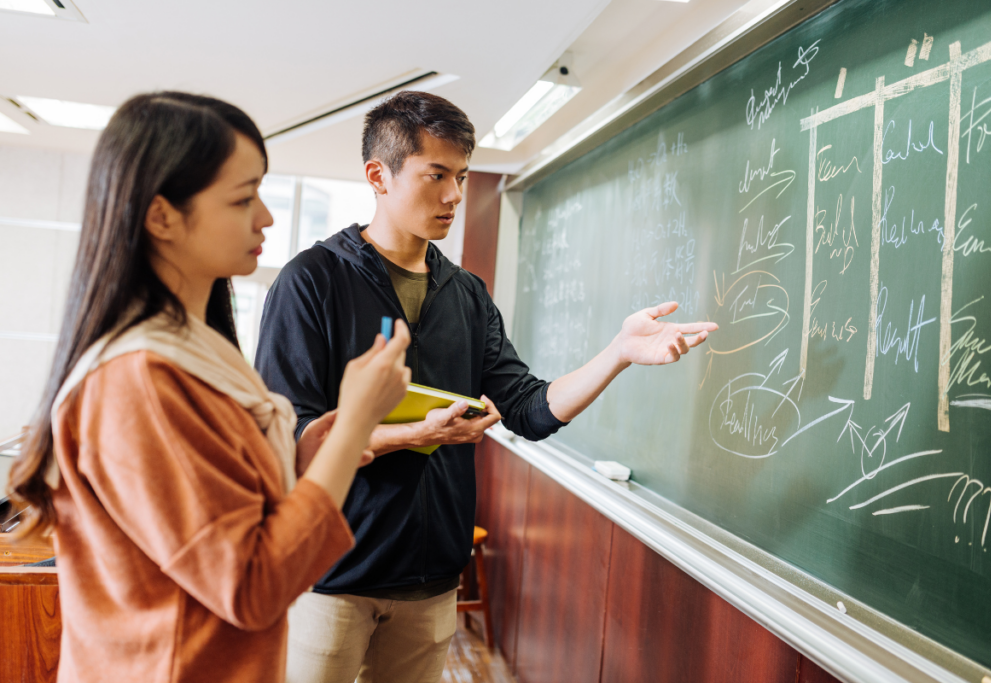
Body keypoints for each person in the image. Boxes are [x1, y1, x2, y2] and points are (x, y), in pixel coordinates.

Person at [255, 90, 718, 683]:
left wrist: (618, 353)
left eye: (463, 176)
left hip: (431, 586)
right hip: (329, 581)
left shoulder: (467, 294)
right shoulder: (311, 281)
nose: (454, 196)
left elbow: (530, 409)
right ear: (379, 175)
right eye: (436, 175)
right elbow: (290, 439)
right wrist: (415, 433)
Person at [5, 92, 411, 683]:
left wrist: (299, 459)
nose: (266, 218)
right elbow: (251, 586)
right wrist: (353, 426)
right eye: (243, 197)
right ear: (162, 216)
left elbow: (217, 515)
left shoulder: (197, 347)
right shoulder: (140, 379)